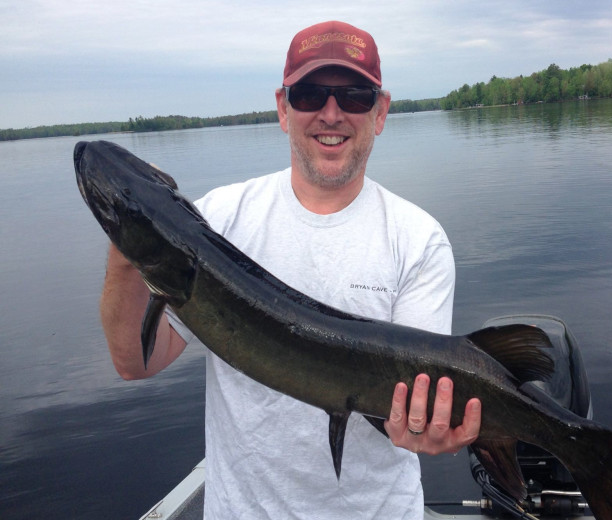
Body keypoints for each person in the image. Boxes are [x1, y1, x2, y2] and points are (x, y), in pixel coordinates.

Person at [100, 20, 481, 519]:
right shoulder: (218, 221)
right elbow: (136, 362)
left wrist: (425, 429)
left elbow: (413, 411)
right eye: (309, 94)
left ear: (381, 111)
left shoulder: (417, 239)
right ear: (283, 108)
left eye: (353, 96)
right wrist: (126, 244)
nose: (331, 112)